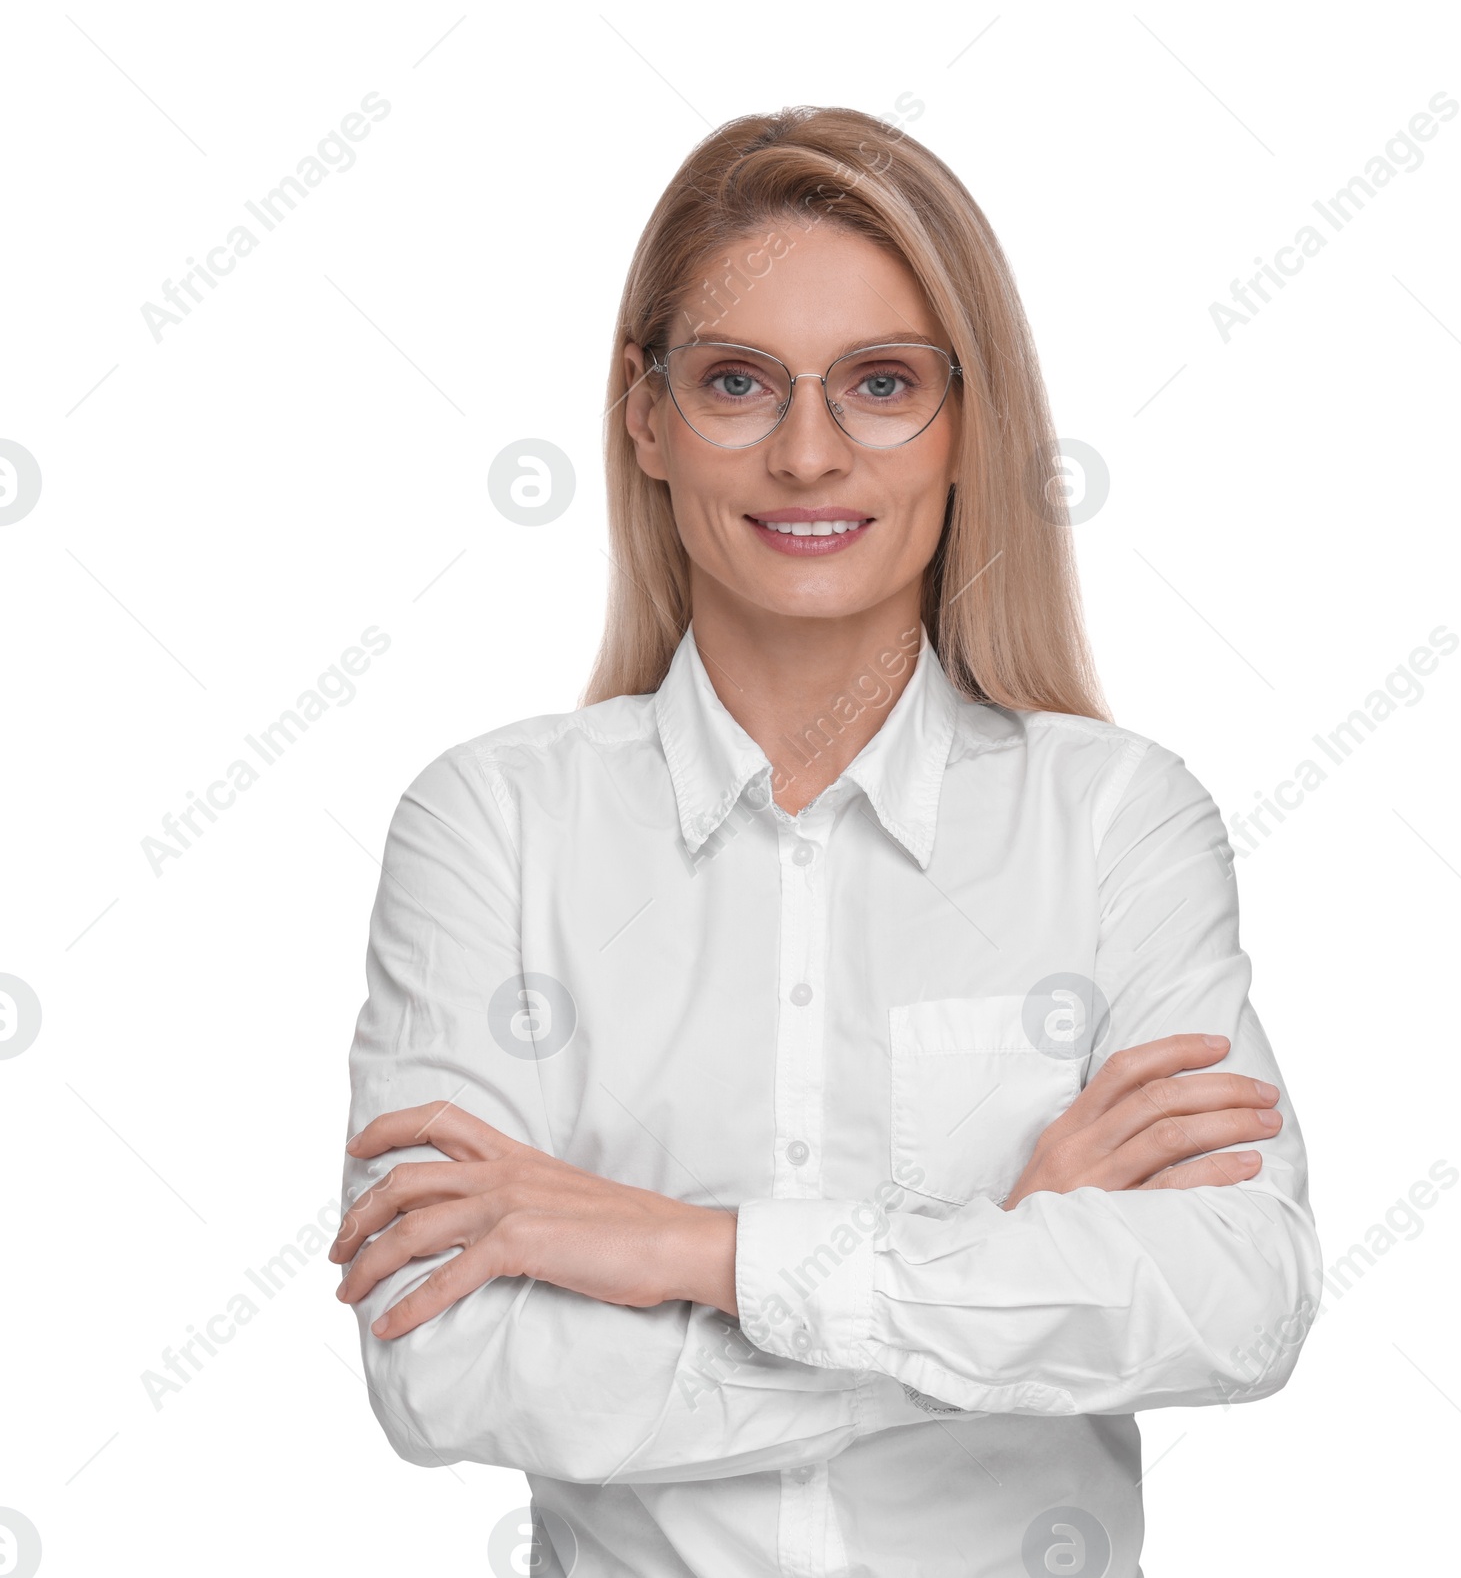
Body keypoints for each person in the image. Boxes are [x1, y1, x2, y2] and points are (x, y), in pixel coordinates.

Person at [330, 106, 1320, 1578]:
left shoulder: (1116, 821)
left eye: (880, 383)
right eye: (739, 382)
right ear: (646, 416)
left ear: (968, 421)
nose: (807, 452)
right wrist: (991, 1259)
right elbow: (445, 1367)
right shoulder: (496, 826)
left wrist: (683, 1250)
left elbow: (1238, 1302)